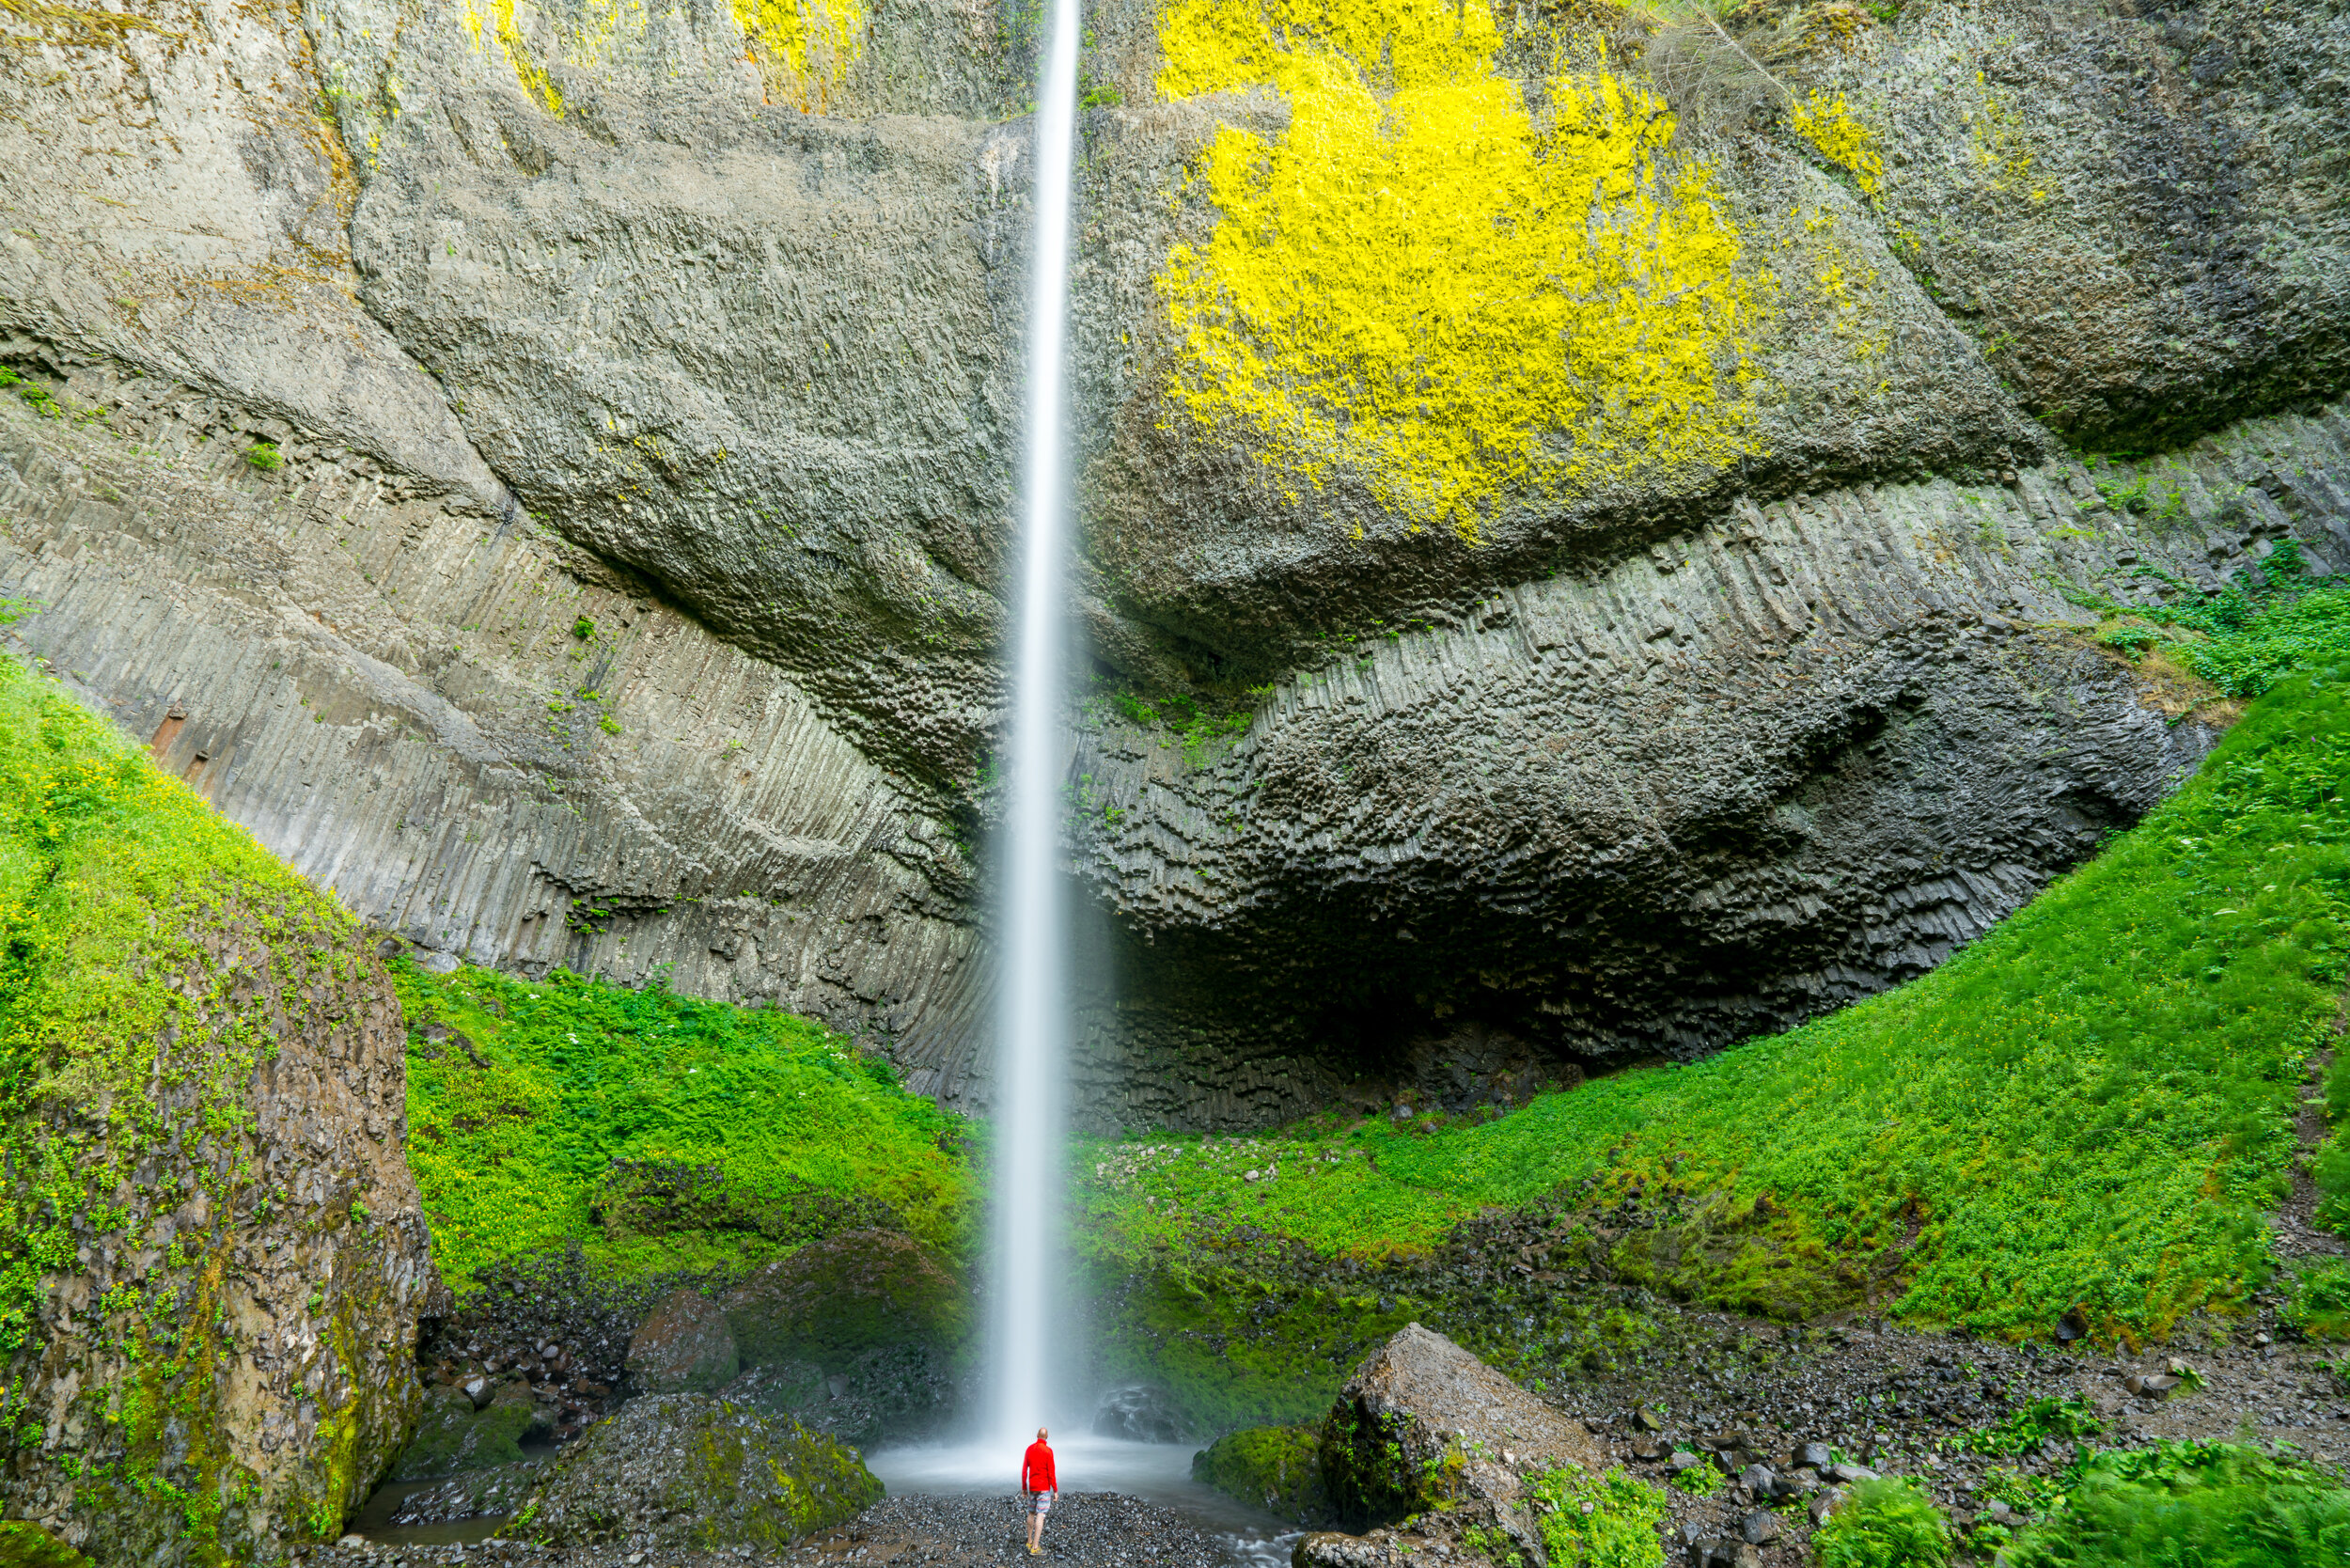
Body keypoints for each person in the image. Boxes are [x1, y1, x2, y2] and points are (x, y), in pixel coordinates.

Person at [1021, 1426, 1058, 1555]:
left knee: (1031, 1513)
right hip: (1043, 1489)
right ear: (1046, 1437)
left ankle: (1029, 1541)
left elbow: (1024, 1471)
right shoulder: (1048, 1451)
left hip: (1033, 1488)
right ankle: (1035, 1548)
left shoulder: (1029, 1449)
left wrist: (1025, 1488)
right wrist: (1055, 1490)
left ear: (1037, 1435)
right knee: (1040, 1515)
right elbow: (1051, 1473)